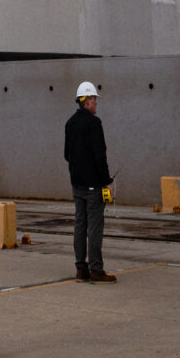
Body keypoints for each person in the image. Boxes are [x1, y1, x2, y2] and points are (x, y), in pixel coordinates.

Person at [63, 81, 113, 283]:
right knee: (94, 228)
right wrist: (106, 181)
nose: (96, 103)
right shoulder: (94, 123)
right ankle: (96, 270)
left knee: (80, 226)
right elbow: (100, 156)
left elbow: (67, 155)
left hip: (77, 185)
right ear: (88, 101)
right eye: (94, 99)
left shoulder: (70, 123)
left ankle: (80, 269)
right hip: (94, 186)